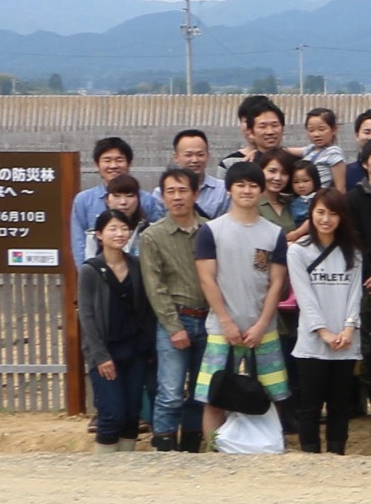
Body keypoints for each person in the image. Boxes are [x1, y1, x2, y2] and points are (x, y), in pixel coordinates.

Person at [194, 162, 294, 446]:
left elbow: (276, 283)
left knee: (268, 393)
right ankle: (216, 450)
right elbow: (207, 279)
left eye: (253, 185)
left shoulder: (273, 234)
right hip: (221, 330)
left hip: (263, 330)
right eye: (240, 185)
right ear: (229, 190)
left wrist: (262, 323)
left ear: (262, 190)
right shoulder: (211, 231)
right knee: (214, 397)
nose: (247, 190)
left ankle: (262, 450)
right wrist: (226, 321)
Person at [281, 192, 366, 455]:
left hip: (346, 340)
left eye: (332, 213)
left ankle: (336, 454)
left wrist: (349, 327)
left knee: (340, 404)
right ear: (311, 214)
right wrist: (324, 332)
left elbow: (355, 294)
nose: (326, 219)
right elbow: (304, 297)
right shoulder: (298, 251)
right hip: (312, 343)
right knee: (310, 403)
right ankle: (310, 456)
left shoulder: (353, 251)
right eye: (320, 212)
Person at [138, 165, 212, 450]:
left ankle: (192, 447)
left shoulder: (211, 230)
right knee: (169, 391)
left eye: (183, 191)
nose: (177, 197)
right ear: (162, 197)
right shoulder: (152, 236)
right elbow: (154, 286)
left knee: (199, 390)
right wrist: (173, 327)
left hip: (208, 320)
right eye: (171, 191)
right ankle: (164, 448)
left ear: (195, 194)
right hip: (175, 319)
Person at [77, 204, 154, 451]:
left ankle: (125, 476)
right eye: (113, 229)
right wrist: (100, 356)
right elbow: (87, 317)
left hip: (136, 350)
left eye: (124, 229)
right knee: (111, 415)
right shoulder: (90, 270)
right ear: (99, 234)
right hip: (106, 353)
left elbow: (147, 308)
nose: (120, 234)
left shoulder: (138, 266)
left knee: (132, 414)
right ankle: (104, 474)